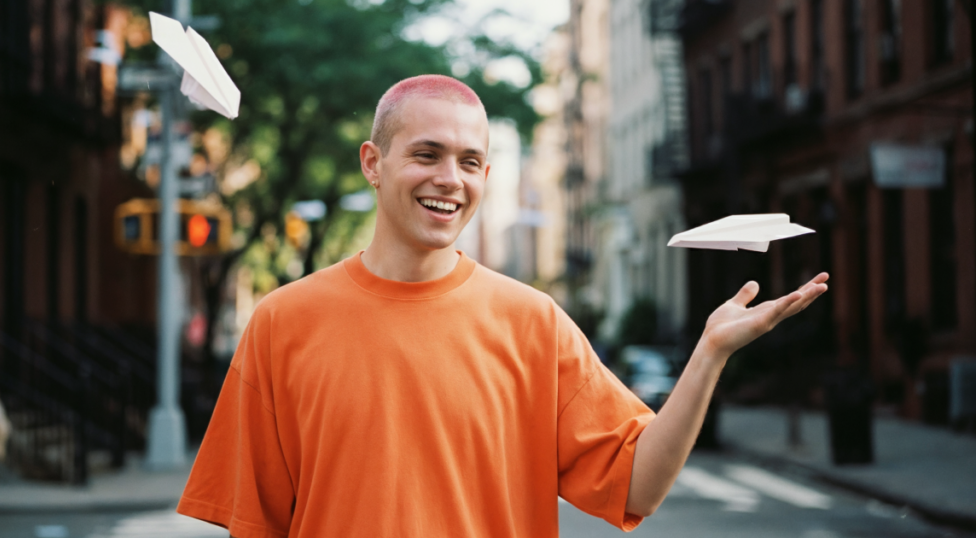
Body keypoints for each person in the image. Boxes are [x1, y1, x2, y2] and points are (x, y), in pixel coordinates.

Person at [177, 75, 828, 537]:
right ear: (373, 163)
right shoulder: (283, 322)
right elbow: (257, 526)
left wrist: (709, 353)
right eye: (426, 154)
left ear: (486, 177)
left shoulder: (533, 322)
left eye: (470, 161)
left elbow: (637, 486)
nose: (449, 180)